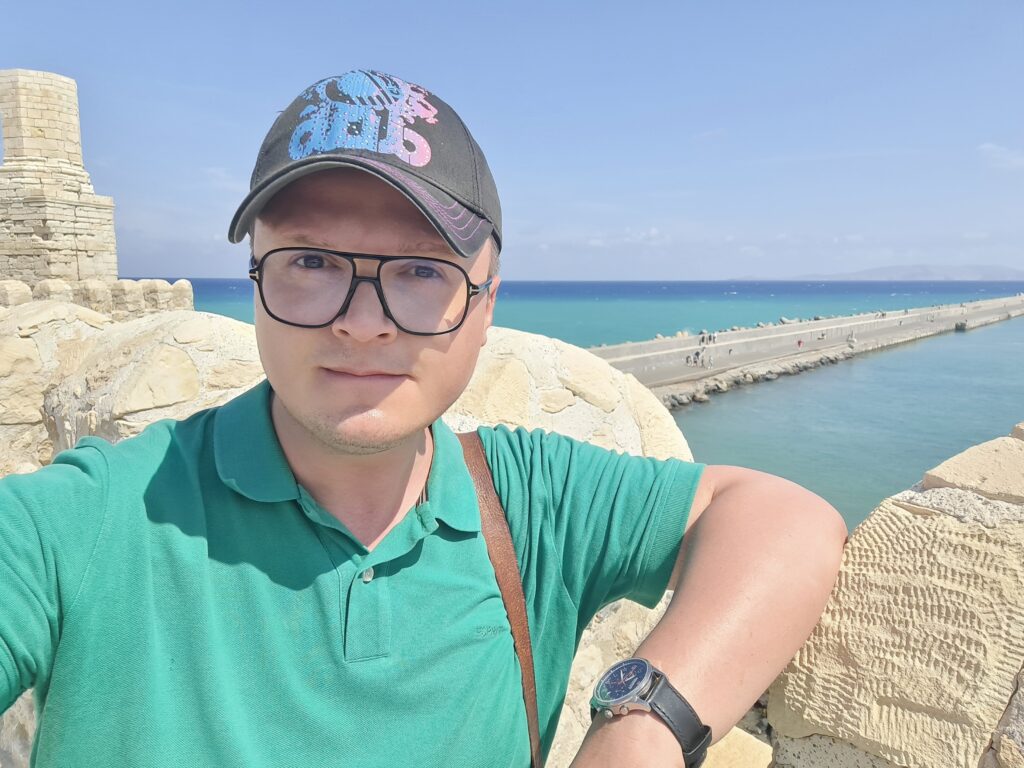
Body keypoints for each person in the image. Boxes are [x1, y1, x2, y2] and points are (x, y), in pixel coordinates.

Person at [0, 70, 847, 768]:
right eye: (312, 261)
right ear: (254, 277)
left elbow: (784, 520)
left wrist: (644, 723)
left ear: (486, 305)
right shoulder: (91, 519)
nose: (362, 323)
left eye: (419, 272)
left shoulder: (529, 504)